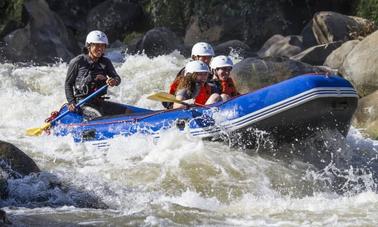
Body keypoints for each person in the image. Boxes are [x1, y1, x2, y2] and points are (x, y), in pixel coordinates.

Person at [65, 30, 127, 120]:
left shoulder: (106, 62)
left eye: (103, 46)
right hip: (82, 103)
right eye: (97, 45)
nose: (100, 49)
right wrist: (71, 102)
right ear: (89, 46)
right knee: (99, 117)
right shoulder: (77, 62)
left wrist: (114, 81)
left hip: (99, 102)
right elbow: (68, 84)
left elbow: (117, 78)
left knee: (127, 112)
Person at [163, 42, 215, 109]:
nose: (207, 60)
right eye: (204, 57)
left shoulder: (210, 70)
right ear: (194, 57)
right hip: (182, 104)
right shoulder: (187, 72)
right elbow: (182, 91)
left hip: (199, 102)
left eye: (209, 57)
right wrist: (190, 102)